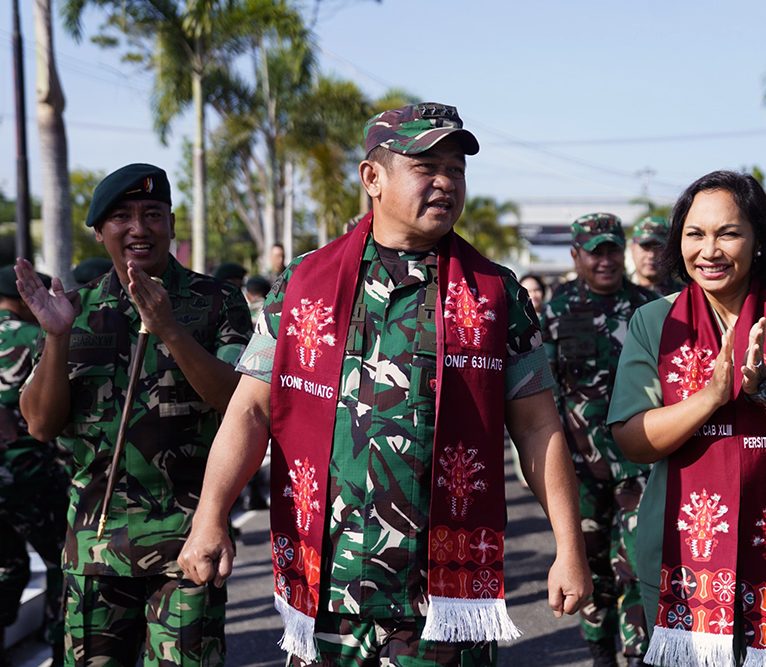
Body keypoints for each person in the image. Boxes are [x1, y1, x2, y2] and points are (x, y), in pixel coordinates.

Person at [178, 102, 591, 667]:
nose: (446, 182)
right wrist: (210, 517)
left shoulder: (497, 295)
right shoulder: (302, 285)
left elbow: (538, 425)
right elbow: (251, 410)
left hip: (442, 597)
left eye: (457, 169)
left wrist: (569, 548)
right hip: (328, 585)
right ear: (373, 177)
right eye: (427, 166)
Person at [607, 171, 766, 666]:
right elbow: (633, 441)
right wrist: (709, 396)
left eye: (728, 232)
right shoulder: (654, 321)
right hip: (682, 559)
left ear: (757, 240)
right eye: (694, 234)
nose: (710, 250)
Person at [15, 163, 254, 667]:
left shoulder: (217, 302)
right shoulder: (71, 309)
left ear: (171, 223)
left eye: (152, 214)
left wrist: (169, 328)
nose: (139, 228)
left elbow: (235, 403)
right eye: (122, 216)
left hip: (186, 545)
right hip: (94, 551)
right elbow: (40, 424)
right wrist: (57, 338)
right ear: (100, 231)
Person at [540, 213, 658, 667]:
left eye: (613, 249)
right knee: (591, 570)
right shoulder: (555, 312)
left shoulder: (650, 309)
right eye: (595, 251)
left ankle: (638, 654)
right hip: (579, 471)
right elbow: (543, 396)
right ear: (576, 255)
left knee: (636, 564)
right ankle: (599, 652)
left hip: (639, 465)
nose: (605, 260)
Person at [0, 265, 68, 667]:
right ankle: (63, 646)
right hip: (28, 474)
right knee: (64, 558)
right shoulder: (34, 337)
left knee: (8, 564)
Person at [630, 216, 678, 296]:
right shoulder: (616, 289)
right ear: (632, 249)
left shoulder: (684, 295)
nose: (651, 255)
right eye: (645, 246)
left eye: (659, 247)